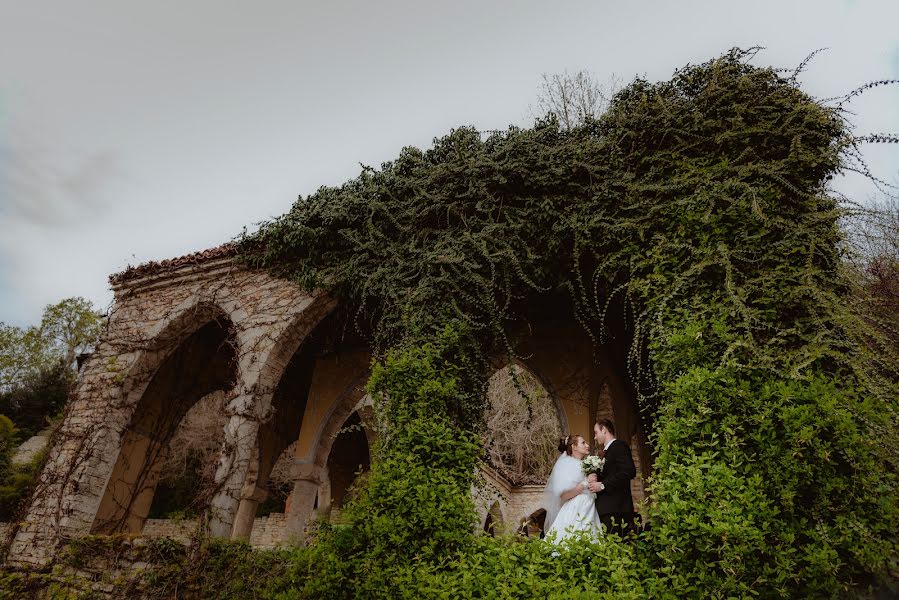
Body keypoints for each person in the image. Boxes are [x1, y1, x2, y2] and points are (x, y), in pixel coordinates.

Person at [542, 434, 603, 544]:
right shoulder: (567, 464)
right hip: (576, 509)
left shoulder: (583, 464)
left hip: (589, 507)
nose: (587, 445)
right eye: (583, 443)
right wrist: (585, 483)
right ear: (574, 447)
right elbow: (564, 495)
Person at [587, 418, 639, 536]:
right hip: (607, 510)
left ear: (604, 430)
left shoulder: (619, 446)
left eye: (596, 433)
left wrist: (603, 485)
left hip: (617, 510)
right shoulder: (606, 451)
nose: (595, 437)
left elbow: (629, 471)